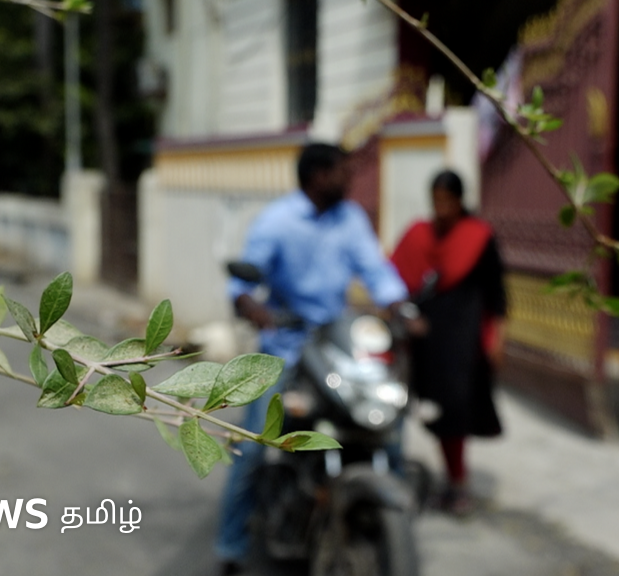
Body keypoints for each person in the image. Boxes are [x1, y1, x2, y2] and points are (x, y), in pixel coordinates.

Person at [215, 143, 409, 575]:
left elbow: (377, 273)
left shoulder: (351, 219)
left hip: (338, 345)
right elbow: (243, 286)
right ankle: (231, 544)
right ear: (318, 176)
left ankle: (396, 517)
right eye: (342, 171)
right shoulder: (278, 221)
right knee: (252, 448)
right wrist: (257, 311)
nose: (350, 179)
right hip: (285, 350)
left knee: (387, 421)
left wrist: (401, 308)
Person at [389, 169, 507, 516]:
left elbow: (497, 296)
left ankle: (459, 484)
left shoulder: (478, 237)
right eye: (436, 200)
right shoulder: (419, 235)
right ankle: (448, 481)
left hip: (463, 342)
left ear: (459, 201)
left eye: (447, 201)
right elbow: (393, 279)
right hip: (426, 342)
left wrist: (496, 338)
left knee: (457, 412)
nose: (441, 208)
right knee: (435, 414)